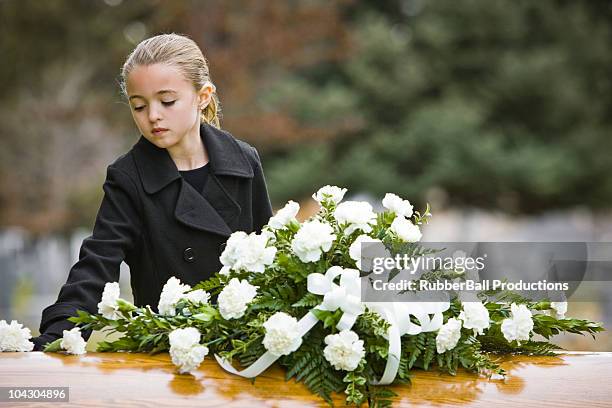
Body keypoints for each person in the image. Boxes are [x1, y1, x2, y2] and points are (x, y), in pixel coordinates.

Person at [31, 33, 273, 350]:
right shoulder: (128, 178)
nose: (153, 116)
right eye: (139, 106)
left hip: (245, 350)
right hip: (168, 357)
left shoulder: (243, 161)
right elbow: (98, 263)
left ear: (203, 96)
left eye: (167, 101)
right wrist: (58, 336)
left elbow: (269, 256)